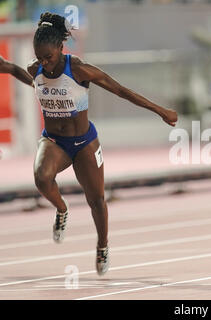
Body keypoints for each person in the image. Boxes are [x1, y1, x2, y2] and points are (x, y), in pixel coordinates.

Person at [28, 12, 178, 276]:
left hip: (84, 141)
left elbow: (121, 90)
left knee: (96, 199)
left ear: (61, 49)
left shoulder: (79, 69)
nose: (44, 63)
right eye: (39, 57)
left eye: (48, 57)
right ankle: (62, 209)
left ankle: (103, 245)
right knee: (41, 178)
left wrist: (160, 111)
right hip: (55, 141)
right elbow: (24, 75)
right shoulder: (35, 70)